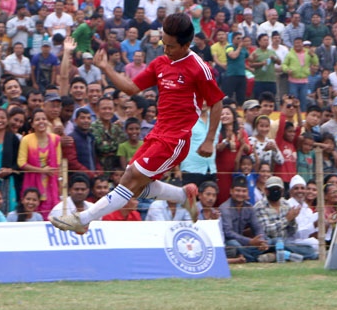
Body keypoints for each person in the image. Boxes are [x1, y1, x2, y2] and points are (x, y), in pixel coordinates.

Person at [50, 13, 225, 233]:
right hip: (156, 133)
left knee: (131, 180)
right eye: (163, 42)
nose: (165, 49)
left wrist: (210, 139)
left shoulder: (199, 68)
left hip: (176, 139)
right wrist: (106, 68)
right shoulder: (160, 62)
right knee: (133, 183)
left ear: (186, 44)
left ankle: (84, 218)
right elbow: (131, 88)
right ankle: (183, 195)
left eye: (170, 46)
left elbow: (217, 102)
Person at [17, 109, 62, 220]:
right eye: (37, 119)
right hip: (32, 181)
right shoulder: (26, 139)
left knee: (51, 213)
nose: (41, 122)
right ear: (32, 123)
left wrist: (61, 184)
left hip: (51, 183)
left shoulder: (55, 139)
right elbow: (21, 163)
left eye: (44, 119)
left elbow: (58, 164)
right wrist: (42, 171)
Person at [220, 175, 267, 262]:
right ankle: (256, 258)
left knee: (270, 241)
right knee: (234, 245)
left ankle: (246, 256)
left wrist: (261, 241)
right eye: (237, 190)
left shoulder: (249, 207)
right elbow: (228, 233)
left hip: (244, 243)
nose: (240, 194)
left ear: (247, 192)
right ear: (231, 191)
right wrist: (249, 241)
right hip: (229, 243)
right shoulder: (225, 208)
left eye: (243, 191)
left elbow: (258, 227)